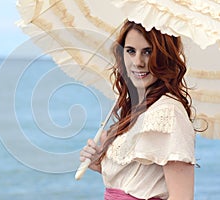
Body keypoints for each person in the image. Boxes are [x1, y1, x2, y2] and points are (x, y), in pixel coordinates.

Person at [79, 20, 196, 200]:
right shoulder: (140, 108)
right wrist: (101, 164)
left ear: (164, 56)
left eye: (148, 52)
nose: (138, 62)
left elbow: (182, 197)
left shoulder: (168, 112)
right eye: (131, 51)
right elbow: (139, 182)